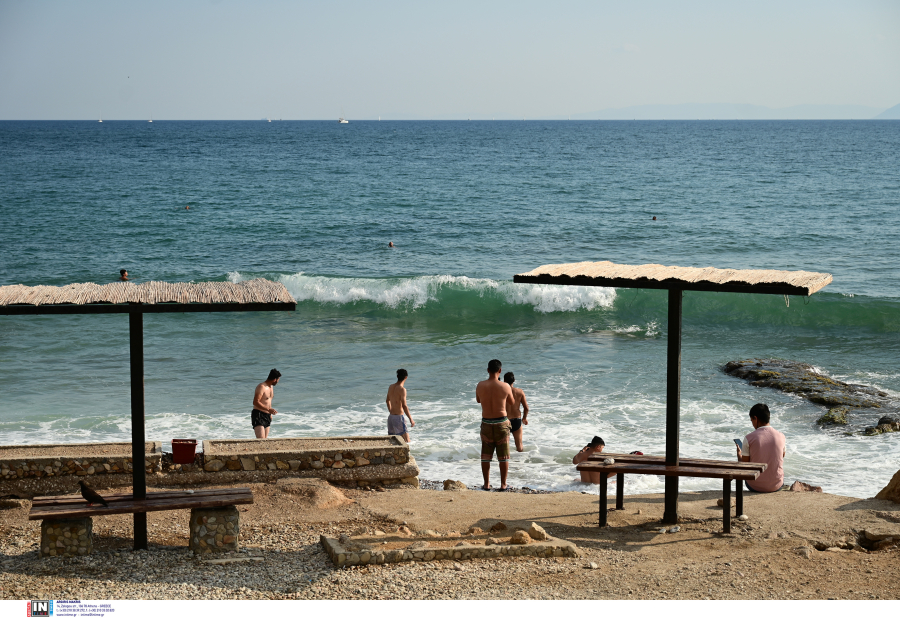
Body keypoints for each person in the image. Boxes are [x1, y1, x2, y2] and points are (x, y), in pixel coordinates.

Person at [475, 359, 515, 490]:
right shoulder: (505, 386)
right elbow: (511, 402)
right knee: (503, 457)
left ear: (488, 370)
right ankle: (503, 484)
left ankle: (486, 484)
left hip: (486, 422)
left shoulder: (480, 385)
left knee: (486, 456)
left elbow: (478, 400)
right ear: (500, 370)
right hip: (501, 423)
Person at [736, 403, 786, 492]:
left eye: (752, 420)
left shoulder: (749, 438)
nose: (752, 424)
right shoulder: (781, 436)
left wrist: (739, 455)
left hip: (755, 485)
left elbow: (745, 465)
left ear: (756, 418)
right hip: (777, 485)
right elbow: (781, 456)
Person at [386, 368, 415, 442]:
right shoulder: (402, 389)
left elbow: (387, 401)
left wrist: (391, 411)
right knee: (407, 440)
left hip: (391, 418)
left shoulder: (391, 387)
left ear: (397, 376)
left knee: (393, 441)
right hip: (399, 418)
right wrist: (411, 419)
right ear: (406, 377)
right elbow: (404, 406)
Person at [503, 372, 529, 452]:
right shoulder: (520, 392)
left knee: (504, 446)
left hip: (505, 421)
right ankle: (521, 460)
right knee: (519, 445)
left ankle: (505, 460)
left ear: (504, 381)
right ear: (514, 380)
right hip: (517, 420)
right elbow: (526, 408)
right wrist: (524, 418)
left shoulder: (501, 392)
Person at [251, 369, 281, 439]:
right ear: (275, 379)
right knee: (261, 440)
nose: (278, 382)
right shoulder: (261, 387)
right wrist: (268, 409)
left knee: (265, 441)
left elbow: (268, 401)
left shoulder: (271, 387)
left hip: (267, 415)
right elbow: (255, 402)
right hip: (259, 414)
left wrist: (270, 413)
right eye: (278, 380)